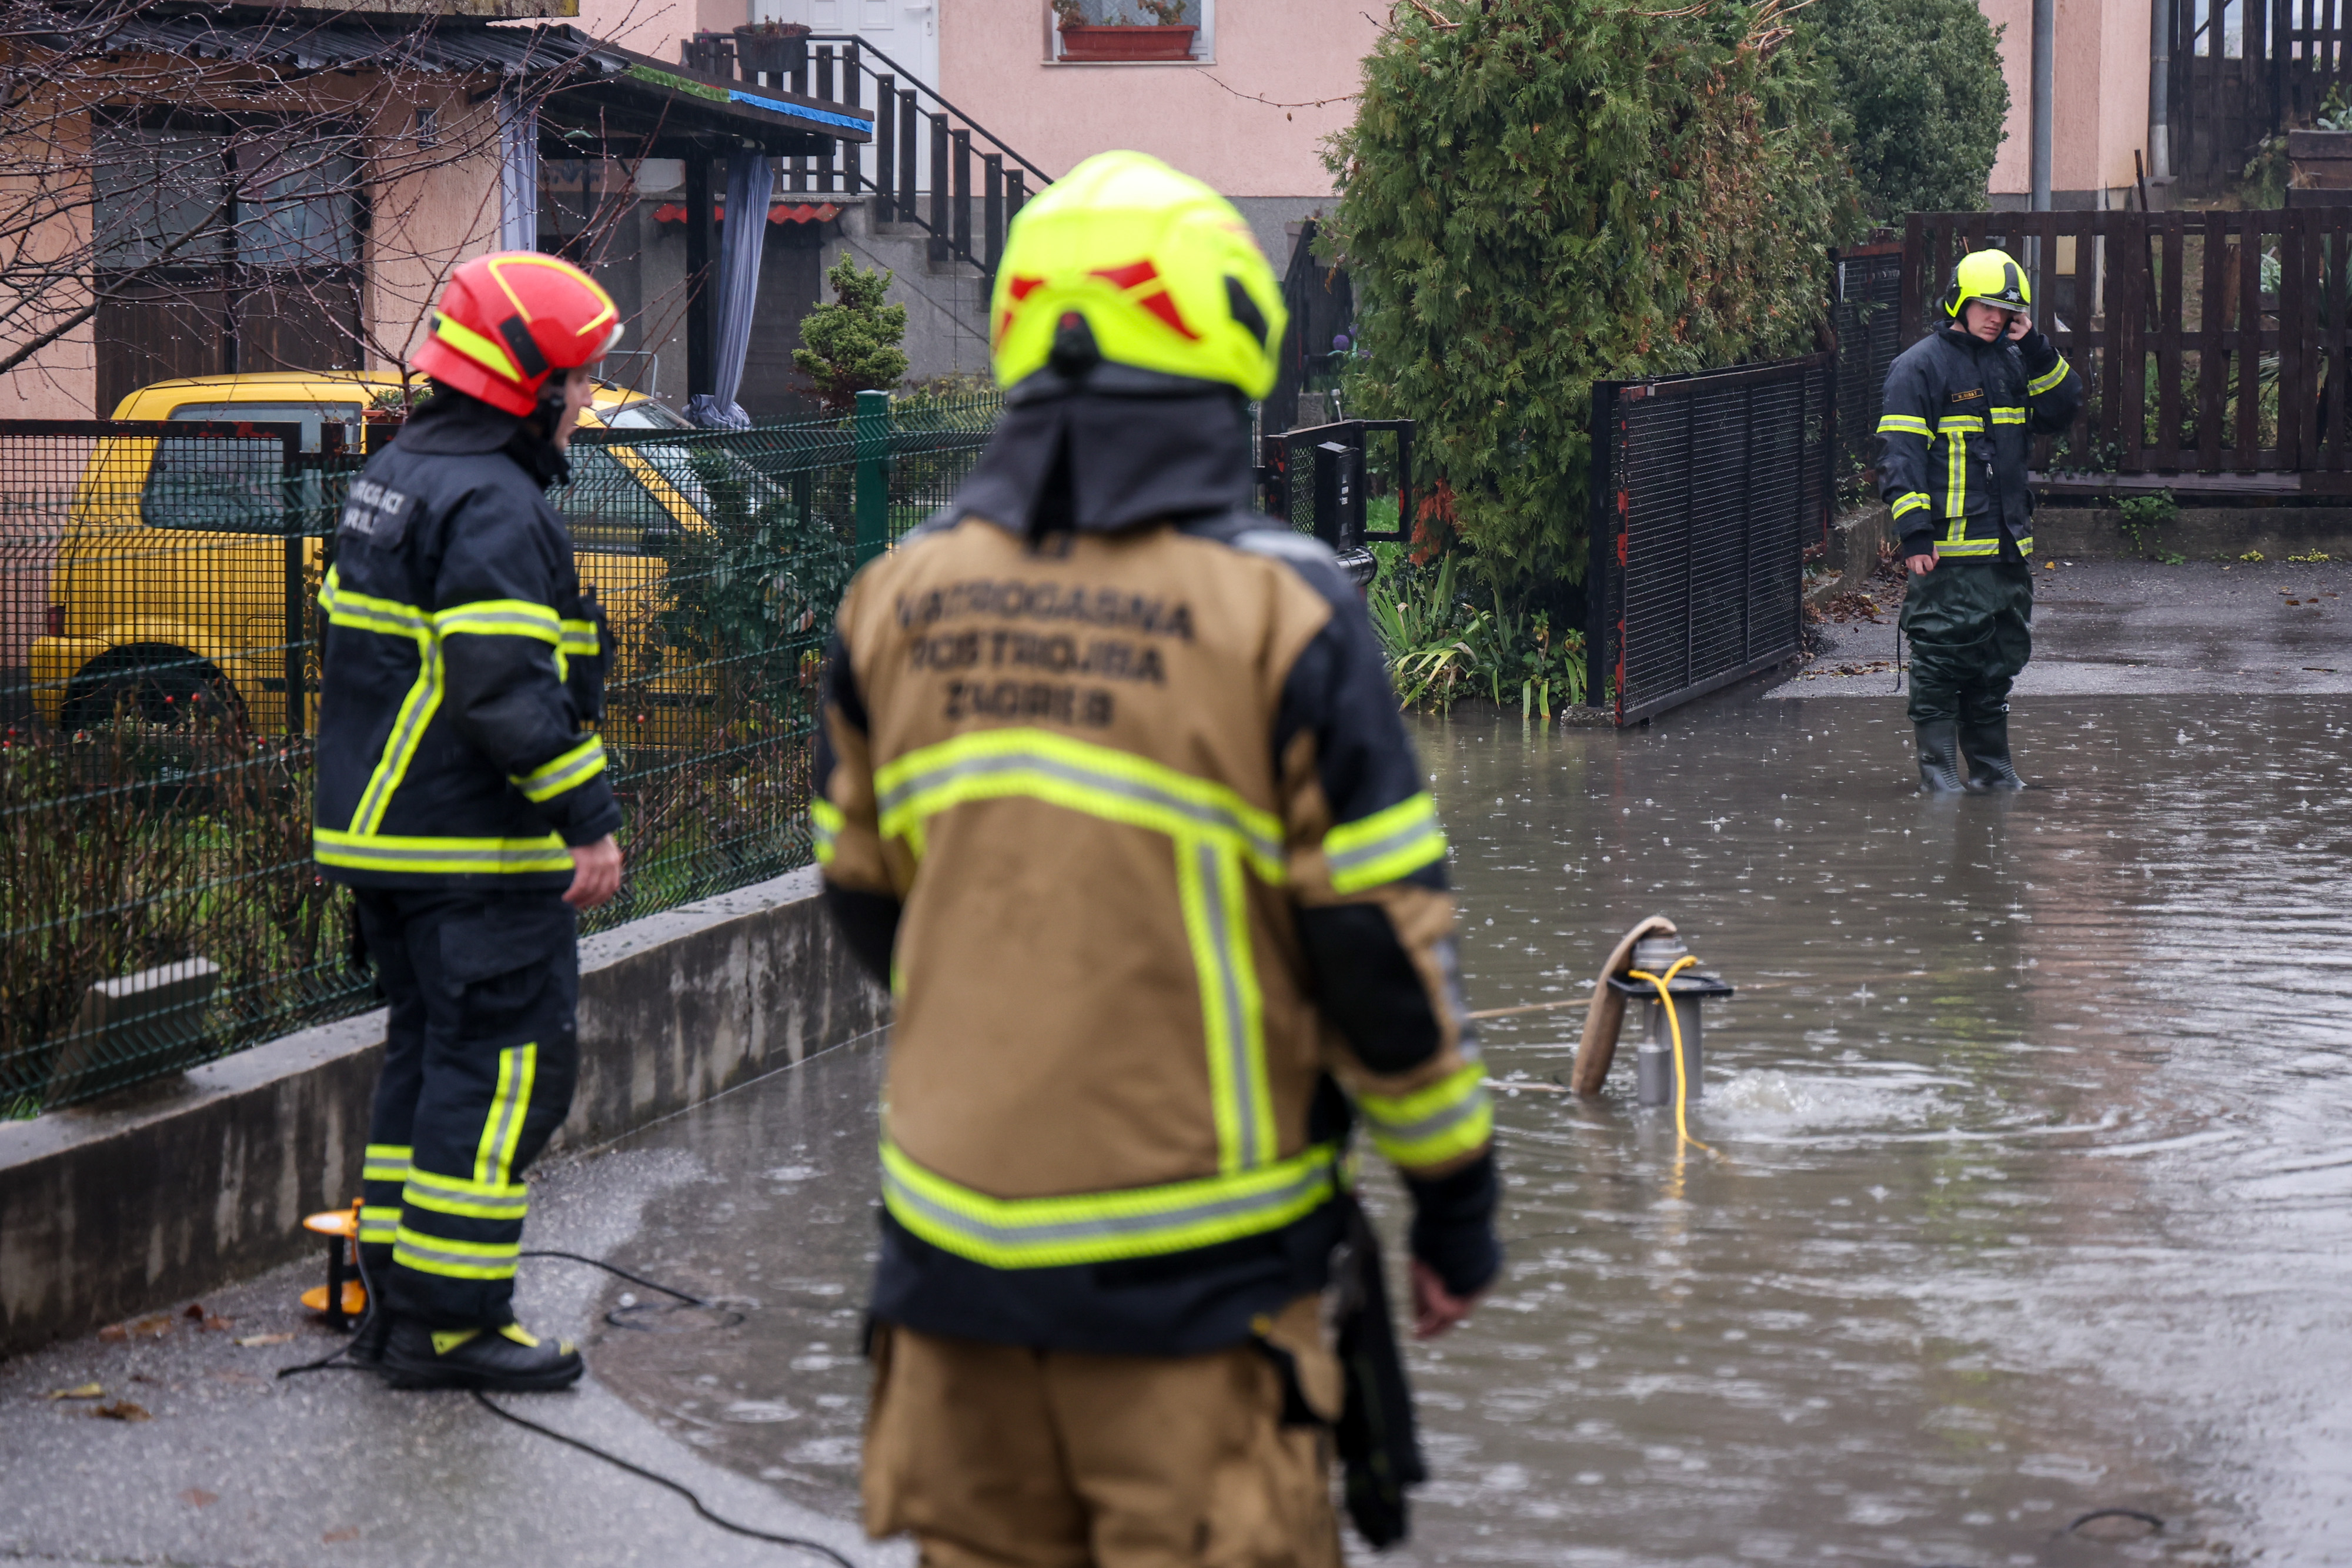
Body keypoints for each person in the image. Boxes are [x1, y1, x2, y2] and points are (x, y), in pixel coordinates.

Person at [813, 151, 1502, 1565]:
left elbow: (868, 908)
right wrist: (1455, 1202)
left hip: (948, 1305)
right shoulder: (1283, 612)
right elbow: (1373, 952)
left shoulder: (894, 602)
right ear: (1225, 351)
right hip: (1196, 1315)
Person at [315, 252, 626, 1391]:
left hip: (390, 840)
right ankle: (449, 1328)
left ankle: (398, 1309)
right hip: (469, 848)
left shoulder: (400, 470)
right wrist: (589, 822)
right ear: (525, 381)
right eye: (577, 381)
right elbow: (503, 689)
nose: (584, 402)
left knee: (430, 1067)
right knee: (502, 1077)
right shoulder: (492, 502)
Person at [1875, 246, 2083, 793]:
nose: (1996, 317)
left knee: (1999, 661)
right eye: (1987, 306)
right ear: (1960, 303)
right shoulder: (1919, 367)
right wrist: (1915, 534)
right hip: (1947, 555)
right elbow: (1900, 456)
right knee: (1943, 659)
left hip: (2006, 553)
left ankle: (1994, 776)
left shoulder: (2016, 360)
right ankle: (1940, 779)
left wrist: (2036, 346)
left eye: (2007, 310)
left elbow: (2063, 409)